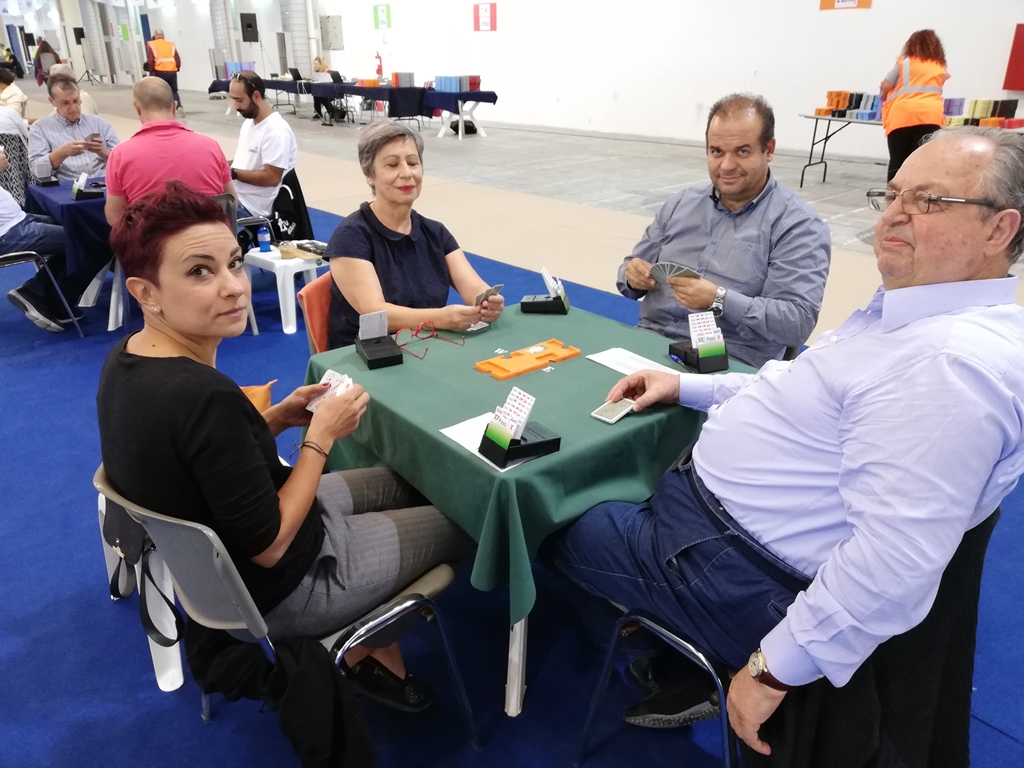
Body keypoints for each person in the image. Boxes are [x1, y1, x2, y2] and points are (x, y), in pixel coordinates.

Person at [544, 126, 1024, 752]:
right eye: (893, 194)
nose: (893, 215)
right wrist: (686, 386)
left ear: (1000, 229)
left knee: (554, 519)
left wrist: (771, 671)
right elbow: (796, 389)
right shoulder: (918, 313)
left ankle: (680, 654)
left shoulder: (947, 368)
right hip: (712, 519)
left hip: (725, 562)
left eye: (929, 201)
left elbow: (893, 562)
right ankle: (667, 640)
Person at [97, 181, 475, 711]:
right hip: (289, 584)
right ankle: (366, 647)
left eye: (234, 263)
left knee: (417, 480)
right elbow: (270, 544)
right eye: (200, 272)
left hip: (234, 560)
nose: (234, 287)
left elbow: (199, 461)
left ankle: (376, 634)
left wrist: (274, 419)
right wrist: (319, 439)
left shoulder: (127, 359)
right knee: (467, 515)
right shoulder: (203, 396)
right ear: (146, 293)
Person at [616, 94, 831, 367]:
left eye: (742, 152)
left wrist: (719, 299)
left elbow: (796, 323)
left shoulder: (798, 226)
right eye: (717, 151)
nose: (727, 166)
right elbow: (627, 274)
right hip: (646, 345)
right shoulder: (680, 204)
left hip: (728, 365)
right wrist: (632, 275)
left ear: (769, 150)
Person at [323, 121, 505, 349]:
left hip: (426, 346)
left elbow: (474, 287)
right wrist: (440, 319)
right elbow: (375, 313)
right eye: (392, 165)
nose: (407, 173)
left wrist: (489, 302)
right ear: (369, 174)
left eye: (413, 163)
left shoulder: (436, 232)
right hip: (367, 354)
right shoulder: (351, 236)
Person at [2, 148, 107, 332]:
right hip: (8, 232)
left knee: (80, 229)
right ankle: (56, 301)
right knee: (94, 242)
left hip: (19, 220)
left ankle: (37, 291)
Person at [105, 78, 235, 225]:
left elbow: (115, 217)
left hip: (153, 239)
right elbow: (231, 202)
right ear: (174, 106)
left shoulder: (120, 155)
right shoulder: (211, 147)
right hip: (211, 237)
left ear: (137, 108)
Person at [880, 29, 949, 182]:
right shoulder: (940, 67)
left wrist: (883, 93)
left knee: (898, 160)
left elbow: (886, 84)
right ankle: (914, 192)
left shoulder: (904, 63)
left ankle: (894, 193)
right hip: (931, 117)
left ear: (911, 44)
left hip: (903, 116)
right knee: (920, 160)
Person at [227, 70, 297, 219]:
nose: (235, 106)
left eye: (239, 100)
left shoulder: (277, 130)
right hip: (237, 197)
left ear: (256, 96)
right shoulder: (248, 124)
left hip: (253, 207)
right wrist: (221, 165)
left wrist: (232, 172)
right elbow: (246, 162)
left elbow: (272, 178)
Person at [28, 74, 118, 181]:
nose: (73, 108)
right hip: (69, 185)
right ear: (52, 101)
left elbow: (123, 160)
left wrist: (103, 152)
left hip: (104, 182)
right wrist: (61, 153)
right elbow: (37, 171)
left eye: (76, 101)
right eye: (65, 103)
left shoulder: (98, 123)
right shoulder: (40, 128)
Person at [145, 29, 183, 115]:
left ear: (155, 36)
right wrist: (177, 68)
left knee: (160, 91)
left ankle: (162, 109)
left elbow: (151, 59)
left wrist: (151, 71)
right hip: (172, 71)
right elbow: (177, 58)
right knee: (173, 91)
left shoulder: (152, 44)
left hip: (159, 71)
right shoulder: (170, 44)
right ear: (163, 36)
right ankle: (178, 106)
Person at [311, 56, 332, 122]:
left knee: (320, 96)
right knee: (316, 94)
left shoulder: (326, 70)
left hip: (329, 90)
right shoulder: (317, 71)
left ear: (321, 64)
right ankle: (319, 113)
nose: (315, 65)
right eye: (314, 64)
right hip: (322, 90)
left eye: (316, 64)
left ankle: (331, 111)